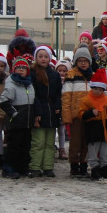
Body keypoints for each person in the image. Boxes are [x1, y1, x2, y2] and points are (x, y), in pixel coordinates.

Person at [78, 67, 107, 180]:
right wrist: (90, 113)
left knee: (105, 153)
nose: (98, 91)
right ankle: (94, 169)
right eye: (96, 88)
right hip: (92, 131)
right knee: (93, 153)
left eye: (101, 89)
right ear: (92, 87)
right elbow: (81, 114)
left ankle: (104, 169)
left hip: (105, 131)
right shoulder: (87, 100)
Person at [0, 55, 36, 178]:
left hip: (27, 121)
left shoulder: (29, 84)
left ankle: (22, 167)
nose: (21, 70)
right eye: (18, 68)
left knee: (25, 146)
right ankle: (9, 168)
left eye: (23, 68)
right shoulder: (11, 84)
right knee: (14, 146)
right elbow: (4, 102)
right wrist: (14, 114)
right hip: (15, 122)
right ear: (14, 70)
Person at [62, 44, 94, 178]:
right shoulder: (71, 76)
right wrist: (67, 116)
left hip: (89, 115)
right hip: (76, 115)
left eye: (85, 61)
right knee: (75, 142)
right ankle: (74, 165)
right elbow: (66, 97)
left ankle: (84, 165)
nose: (83, 63)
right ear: (76, 62)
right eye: (80, 61)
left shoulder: (93, 76)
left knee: (86, 142)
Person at [30, 46, 62, 178]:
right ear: (36, 58)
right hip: (40, 110)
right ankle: (35, 166)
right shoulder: (33, 74)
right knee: (38, 141)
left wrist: (57, 107)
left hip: (52, 112)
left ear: (49, 58)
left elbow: (58, 93)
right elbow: (34, 95)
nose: (43, 59)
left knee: (50, 142)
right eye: (40, 56)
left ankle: (48, 166)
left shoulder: (54, 74)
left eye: (45, 56)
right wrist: (37, 112)